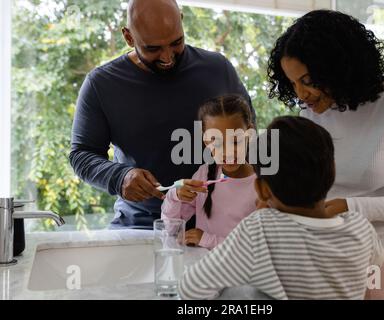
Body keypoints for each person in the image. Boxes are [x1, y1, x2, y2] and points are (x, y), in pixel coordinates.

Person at [267, 10, 384, 299]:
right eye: (293, 83)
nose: (301, 94)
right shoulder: (312, 111)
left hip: (378, 255)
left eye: (308, 80)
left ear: (339, 67)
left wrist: (346, 206)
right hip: (320, 250)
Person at [69, 0, 254, 229]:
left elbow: (251, 137)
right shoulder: (101, 84)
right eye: (153, 48)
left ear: (182, 21)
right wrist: (120, 177)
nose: (167, 57)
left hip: (219, 225)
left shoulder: (218, 69)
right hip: (141, 226)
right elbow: (81, 155)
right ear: (128, 37)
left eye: (176, 43)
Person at [179, 116, 384, 300]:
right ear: (333, 172)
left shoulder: (261, 228)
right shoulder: (361, 227)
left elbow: (191, 288)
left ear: (261, 189)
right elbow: (373, 265)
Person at [162, 95, 257, 249]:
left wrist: (207, 239)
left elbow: (255, 249)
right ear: (206, 141)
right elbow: (171, 229)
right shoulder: (204, 175)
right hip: (202, 268)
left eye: (235, 141)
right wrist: (175, 195)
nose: (228, 152)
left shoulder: (262, 186)